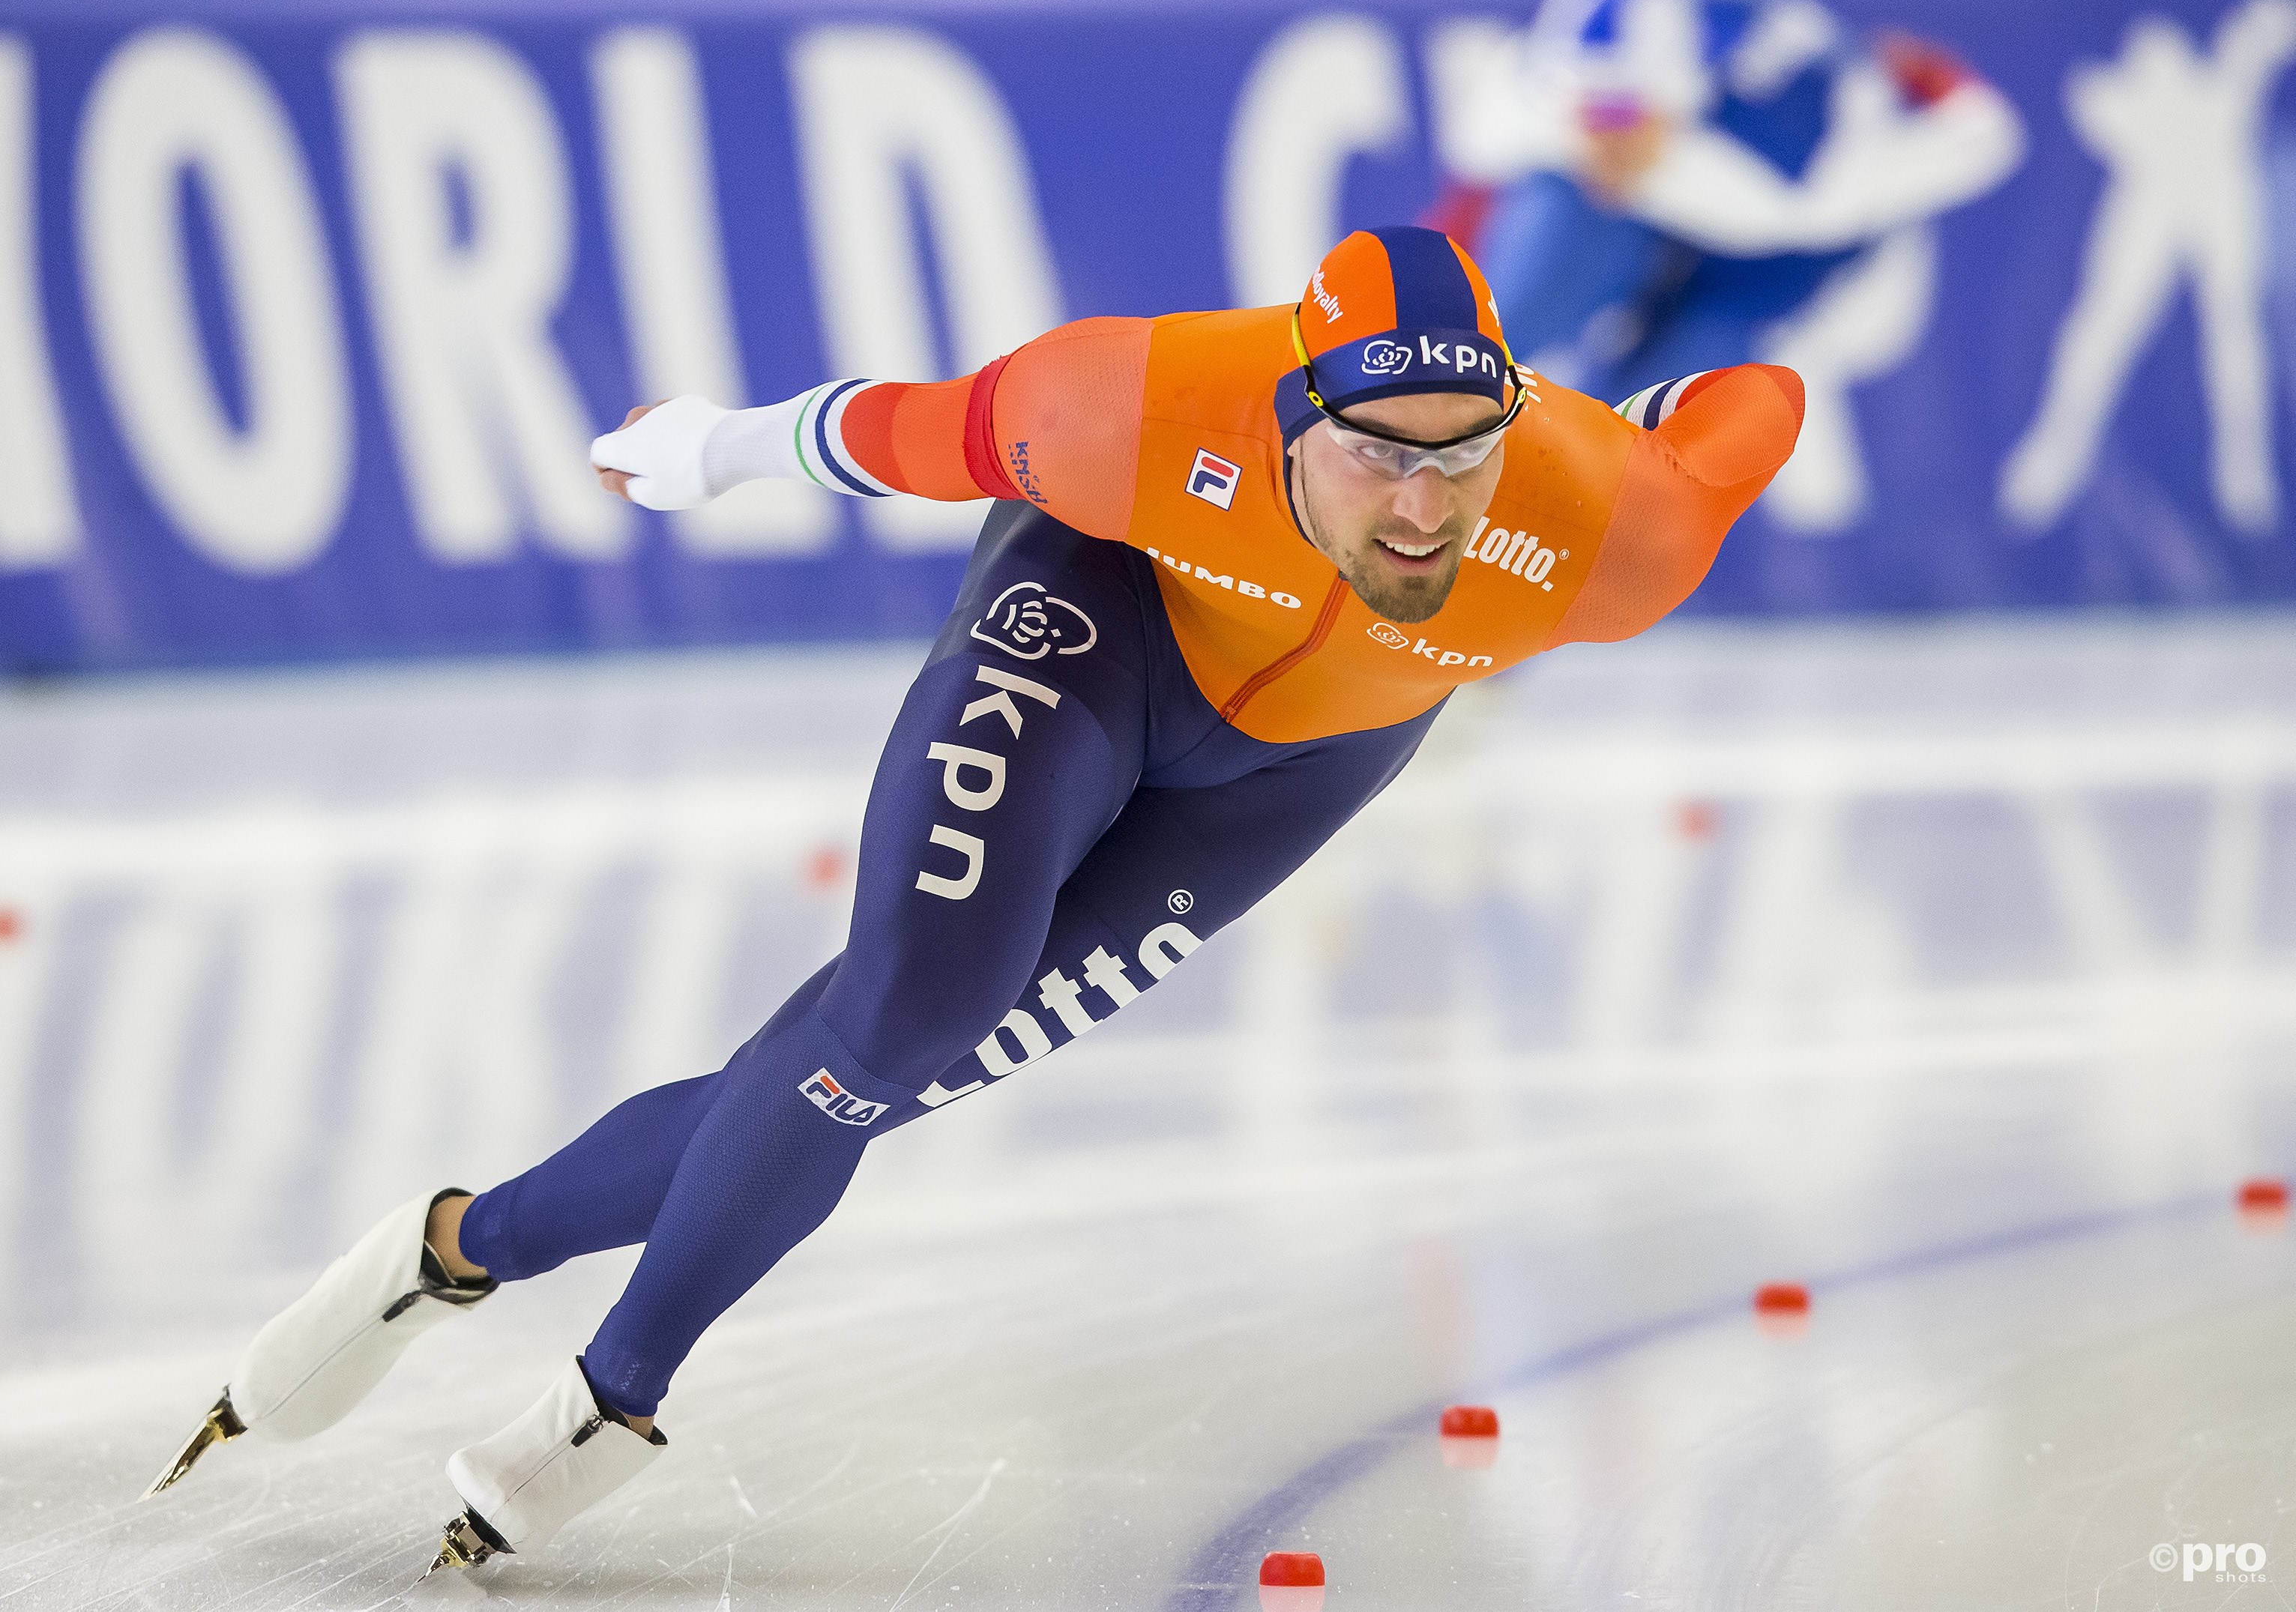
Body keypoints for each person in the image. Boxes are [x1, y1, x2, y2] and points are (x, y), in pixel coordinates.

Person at [142, 226, 1804, 1575]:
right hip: (1098, 626)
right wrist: (716, 450)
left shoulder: (1606, 534)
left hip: (1301, 765)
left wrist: (1637, 415)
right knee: (907, 1010)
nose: (1426, 510)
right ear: (1292, 414)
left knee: (875, 1074)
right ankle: (614, 1398)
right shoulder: (1131, 406)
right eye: (1376, 458)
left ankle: (454, 1246)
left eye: (1464, 457)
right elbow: (900, 427)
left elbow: (1760, 397)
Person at [1429, 0, 2019, 529]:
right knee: (1493, 323)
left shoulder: (1806, 172)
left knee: (1628, 451)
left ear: (1680, 101)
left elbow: (1987, 140)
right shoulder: (1540, 84)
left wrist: (1924, 74)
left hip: (1781, 249)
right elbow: (1474, 187)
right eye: (1581, 112)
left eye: (1619, 117)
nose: (1599, 141)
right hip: (1678, 183)